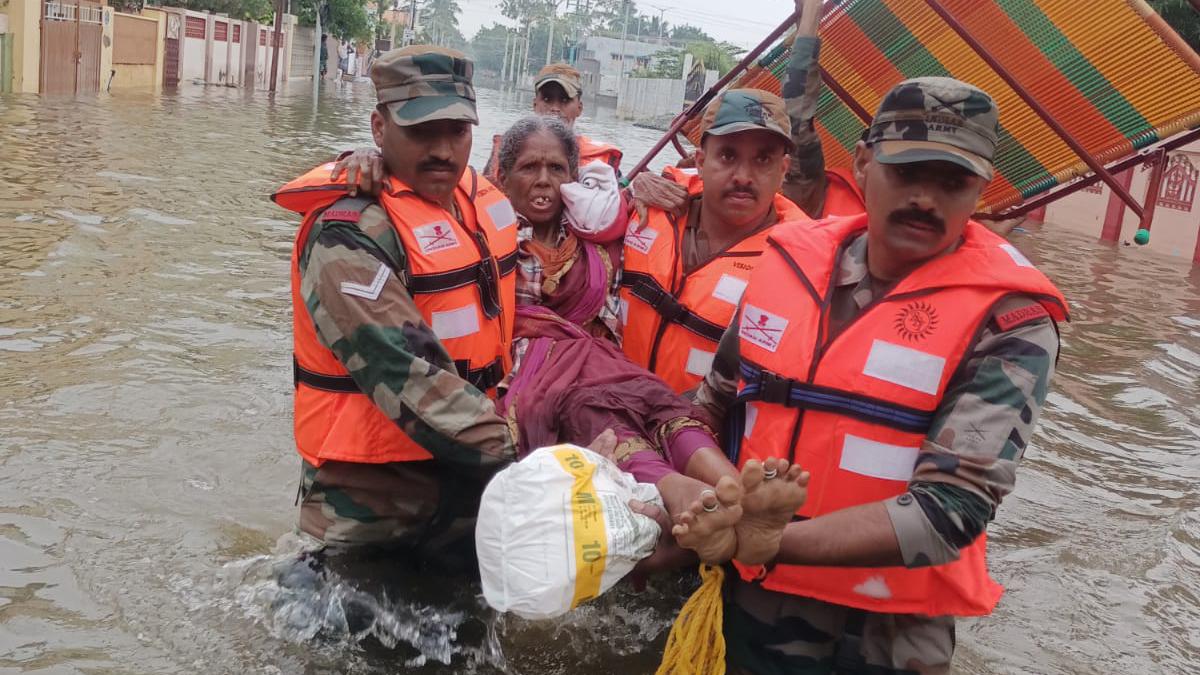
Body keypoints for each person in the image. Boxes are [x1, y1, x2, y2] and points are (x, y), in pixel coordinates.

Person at [683, 76, 1068, 673]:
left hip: (888, 633)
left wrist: (768, 540)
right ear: (863, 164)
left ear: (982, 189)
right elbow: (710, 404)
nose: (926, 200)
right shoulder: (785, 261)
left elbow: (951, 510)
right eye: (908, 173)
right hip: (754, 595)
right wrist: (704, 500)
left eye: (953, 182)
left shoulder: (1011, 320)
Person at [272, 45, 522, 572]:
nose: (443, 150)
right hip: (370, 517)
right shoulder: (348, 233)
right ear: (379, 129)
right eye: (421, 131)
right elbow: (409, 378)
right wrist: (540, 461)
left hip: (470, 499)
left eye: (457, 131)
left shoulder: (480, 203)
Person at [619, 88, 808, 394]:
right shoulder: (648, 204)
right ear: (700, 161)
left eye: (763, 159)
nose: (744, 176)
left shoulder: (802, 265)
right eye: (728, 155)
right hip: (613, 407)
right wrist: (627, 192)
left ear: (783, 171)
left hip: (700, 434)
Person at [482, 63, 624, 182]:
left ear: (579, 108)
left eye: (564, 100)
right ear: (535, 104)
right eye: (547, 99)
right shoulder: (506, 151)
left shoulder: (602, 162)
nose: (555, 109)